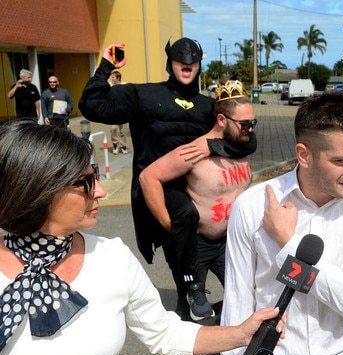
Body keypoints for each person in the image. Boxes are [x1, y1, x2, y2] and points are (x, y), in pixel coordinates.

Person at [0, 120, 286, 355]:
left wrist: (241, 333)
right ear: (35, 191)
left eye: (96, 176)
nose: (99, 191)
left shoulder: (111, 257)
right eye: (84, 182)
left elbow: (164, 333)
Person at [78, 39, 257, 333]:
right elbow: (92, 105)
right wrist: (106, 67)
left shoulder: (207, 107)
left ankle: (222, 330)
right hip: (160, 192)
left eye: (193, 61)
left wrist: (211, 143)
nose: (187, 65)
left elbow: (245, 136)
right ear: (171, 62)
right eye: (181, 59)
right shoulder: (144, 95)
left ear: (199, 64)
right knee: (184, 220)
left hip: (198, 195)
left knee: (243, 288)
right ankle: (183, 331)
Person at [220, 92, 343, 355]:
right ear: (304, 155)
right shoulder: (252, 207)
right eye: (342, 161)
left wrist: (288, 242)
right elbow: (237, 304)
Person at [139, 80, 256, 322]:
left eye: (252, 123)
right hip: (197, 245)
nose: (250, 129)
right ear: (222, 120)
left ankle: (231, 345)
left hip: (230, 242)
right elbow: (148, 177)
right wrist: (168, 225)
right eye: (245, 124)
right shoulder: (194, 152)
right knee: (189, 310)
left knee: (247, 297)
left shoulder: (239, 145)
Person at [108, 70, 129, 154]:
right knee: (113, 128)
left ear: (118, 78)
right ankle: (115, 145)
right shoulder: (110, 86)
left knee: (122, 130)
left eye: (113, 77)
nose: (111, 79)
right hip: (114, 111)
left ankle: (123, 146)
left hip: (124, 111)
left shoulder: (125, 86)